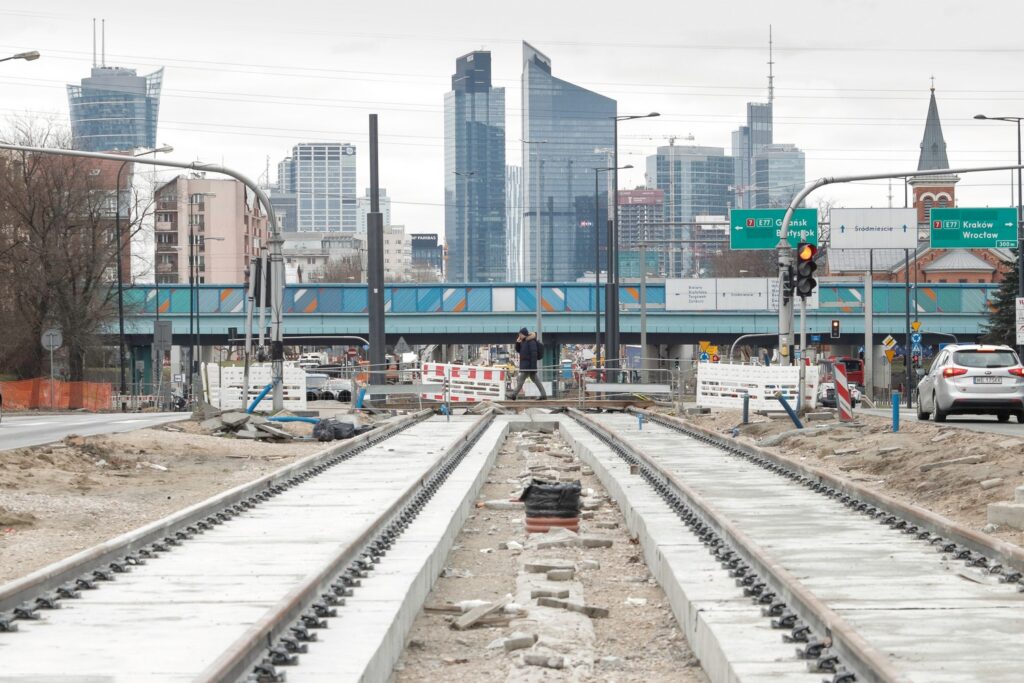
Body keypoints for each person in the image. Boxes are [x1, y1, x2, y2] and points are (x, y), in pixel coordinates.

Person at [511, 327, 547, 400]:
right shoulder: (524, 342)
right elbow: (519, 350)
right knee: (536, 381)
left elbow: (534, 355)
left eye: (520, 334)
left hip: (528, 366)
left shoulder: (531, 342)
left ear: (524, 334)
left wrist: (533, 368)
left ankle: (513, 395)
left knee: (520, 380)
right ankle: (544, 395)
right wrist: (517, 343)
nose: (519, 336)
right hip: (527, 366)